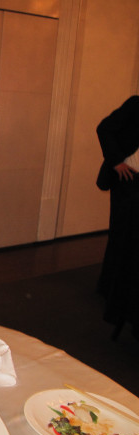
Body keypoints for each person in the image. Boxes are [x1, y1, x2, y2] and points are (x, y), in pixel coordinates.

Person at [95, 95, 139, 339]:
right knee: (121, 234)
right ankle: (109, 289)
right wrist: (116, 161)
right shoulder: (136, 105)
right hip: (127, 178)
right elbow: (104, 129)